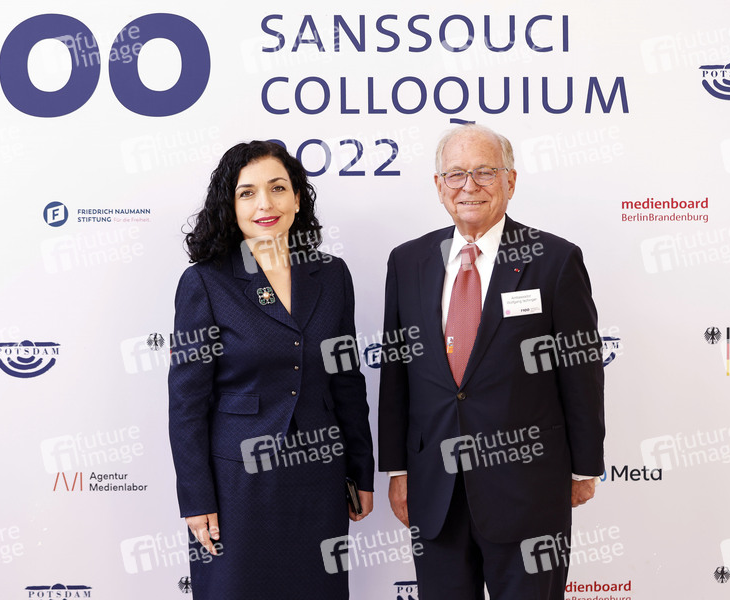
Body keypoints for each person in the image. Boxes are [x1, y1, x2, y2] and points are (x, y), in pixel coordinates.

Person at [377, 123, 605, 599]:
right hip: (435, 490)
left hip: (528, 489)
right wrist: (397, 470)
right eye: (456, 174)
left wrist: (584, 467)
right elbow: (397, 378)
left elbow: (581, 373)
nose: (470, 186)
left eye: (485, 172)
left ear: (510, 181)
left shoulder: (554, 260)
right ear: (438, 185)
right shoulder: (407, 261)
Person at [169, 141, 374, 599]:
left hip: (319, 478)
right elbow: (186, 403)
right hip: (237, 486)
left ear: (297, 199)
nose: (265, 203)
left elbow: (346, 379)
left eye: (278, 188)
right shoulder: (205, 281)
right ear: (231, 206)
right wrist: (196, 497)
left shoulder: (332, 274)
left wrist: (361, 469)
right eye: (248, 193)